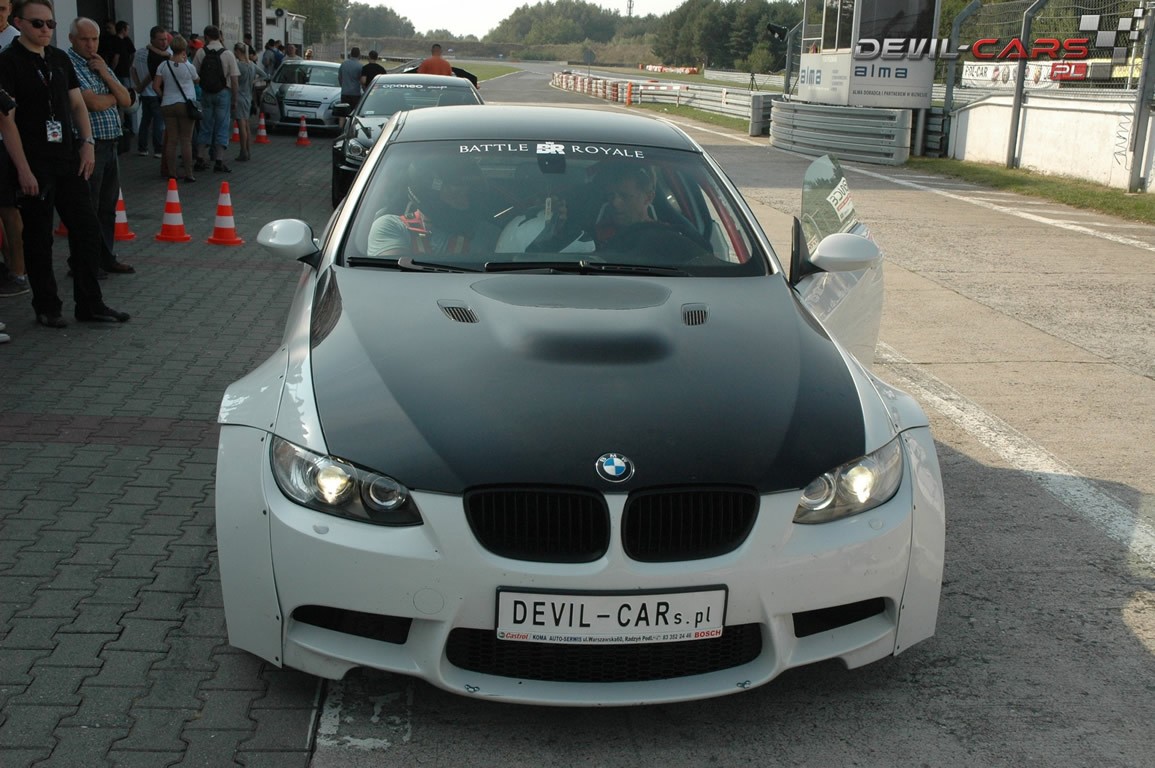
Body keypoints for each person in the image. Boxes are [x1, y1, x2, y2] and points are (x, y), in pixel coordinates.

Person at [0, 0, 129, 327]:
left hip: (68, 157)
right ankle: (47, 306)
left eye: (50, 24)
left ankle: (90, 304)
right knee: (38, 237)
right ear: (19, 22)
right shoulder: (8, 61)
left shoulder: (58, 59)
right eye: (37, 23)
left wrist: (87, 144)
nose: (45, 29)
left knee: (87, 229)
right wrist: (23, 169)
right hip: (34, 161)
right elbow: (6, 121)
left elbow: (77, 104)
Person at [67, 16, 135, 275]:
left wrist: (105, 73)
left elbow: (127, 99)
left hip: (110, 143)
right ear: (72, 39)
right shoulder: (69, 64)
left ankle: (105, 256)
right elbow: (92, 104)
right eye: (84, 39)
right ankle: (84, 261)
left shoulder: (99, 63)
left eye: (94, 39)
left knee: (107, 207)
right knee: (88, 207)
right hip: (88, 145)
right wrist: (113, 97)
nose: (90, 44)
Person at [368, 156, 499, 258]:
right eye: (456, 194)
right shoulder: (392, 226)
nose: (466, 202)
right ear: (429, 194)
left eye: (469, 193)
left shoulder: (489, 234)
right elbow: (394, 277)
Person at [0, 0, 27, 300]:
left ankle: (18, 270)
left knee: (10, 208)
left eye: (1, 8)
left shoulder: (16, 42)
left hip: (8, 138)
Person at [192, 24, 239, 174]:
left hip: (206, 93)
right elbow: (234, 79)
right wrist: (235, 99)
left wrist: (203, 85)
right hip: (223, 93)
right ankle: (219, 161)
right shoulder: (228, 54)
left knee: (205, 126)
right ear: (219, 36)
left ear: (206, 36)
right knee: (222, 126)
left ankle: (200, 158)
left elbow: (194, 74)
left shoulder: (201, 52)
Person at [153, 34, 198, 183]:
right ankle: (189, 173)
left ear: (171, 48)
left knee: (171, 140)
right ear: (184, 48)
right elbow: (197, 80)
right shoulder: (188, 66)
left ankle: (172, 173)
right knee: (186, 140)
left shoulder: (163, 65)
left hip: (168, 104)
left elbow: (155, 86)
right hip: (186, 104)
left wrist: (163, 96)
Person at [131, 25, 168, 158]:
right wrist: (141, 86)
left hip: (145, 93)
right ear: (152, 39)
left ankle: (142, 148)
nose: (164, 42)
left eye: (165, 39)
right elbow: (152, 75)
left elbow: (133, 70)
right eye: (161, 40)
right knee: (158, 122)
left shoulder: (139, 52)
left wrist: (138, 85)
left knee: (145, 121)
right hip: (154, 93)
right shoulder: (155, 55)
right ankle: (158, 150)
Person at [232, 42, 263, 161]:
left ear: (238, 51)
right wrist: (254, 81)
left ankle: (243, 151)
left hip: (239, 96)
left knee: (241, 126)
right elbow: (265, 75)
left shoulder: (238, 65)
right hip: (248, 97)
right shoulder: (252, 65)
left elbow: (234, 81)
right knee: (246, 125)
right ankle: (248, 150)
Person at [338, 46, 361, 119]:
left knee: (343, 113)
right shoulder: (360, 66)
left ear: (350, 54)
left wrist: (343, 86)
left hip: (345, 93)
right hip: (355, 94)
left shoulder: (344, 64)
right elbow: (361, 80)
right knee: (354, 114)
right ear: (359, 55)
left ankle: (341, 126)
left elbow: (340, 78)